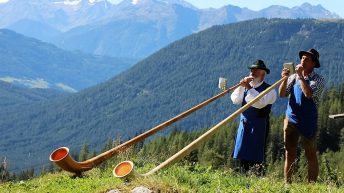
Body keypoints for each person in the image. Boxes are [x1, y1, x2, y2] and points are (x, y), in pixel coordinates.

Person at [279, 48, 325, 183]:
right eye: (302, 58)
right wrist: (284, 79)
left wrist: (300, 77)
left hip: (308, 121)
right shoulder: (292, 77)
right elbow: (282, 94)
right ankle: (288, 184)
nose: (303, 61)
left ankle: (311, 186)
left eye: (307, 59)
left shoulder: (318, 79)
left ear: (314, 64)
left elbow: (308, 94)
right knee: (289, 153)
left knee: (310, 154)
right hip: (291, 119)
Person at [231, 59, 277, 174]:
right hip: (244, 125)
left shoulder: (270, 90)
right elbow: (235, 100)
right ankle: (242, 176)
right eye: (252, 70)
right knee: (242, 154)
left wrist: (249, 88)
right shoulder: (246, 86)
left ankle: (256, 179)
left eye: (256, 70)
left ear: (263, 74)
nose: (252, 72)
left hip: (259, 127)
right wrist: (242, 86)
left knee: (255, 155)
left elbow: (259, 103)